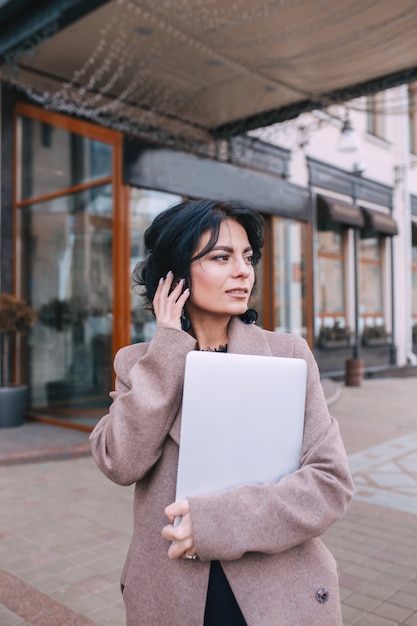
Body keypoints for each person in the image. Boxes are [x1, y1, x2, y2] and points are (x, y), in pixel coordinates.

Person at [89, 198, 354, 626]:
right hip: (171, 592)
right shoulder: (137, 363)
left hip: (277, 588)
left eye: (247, 257)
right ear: (175, 275)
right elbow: (120, 462)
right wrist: (169, 349)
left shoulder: (288, 355)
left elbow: (330, 483)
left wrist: (216, 522)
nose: (243, 271)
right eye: (221, 257)